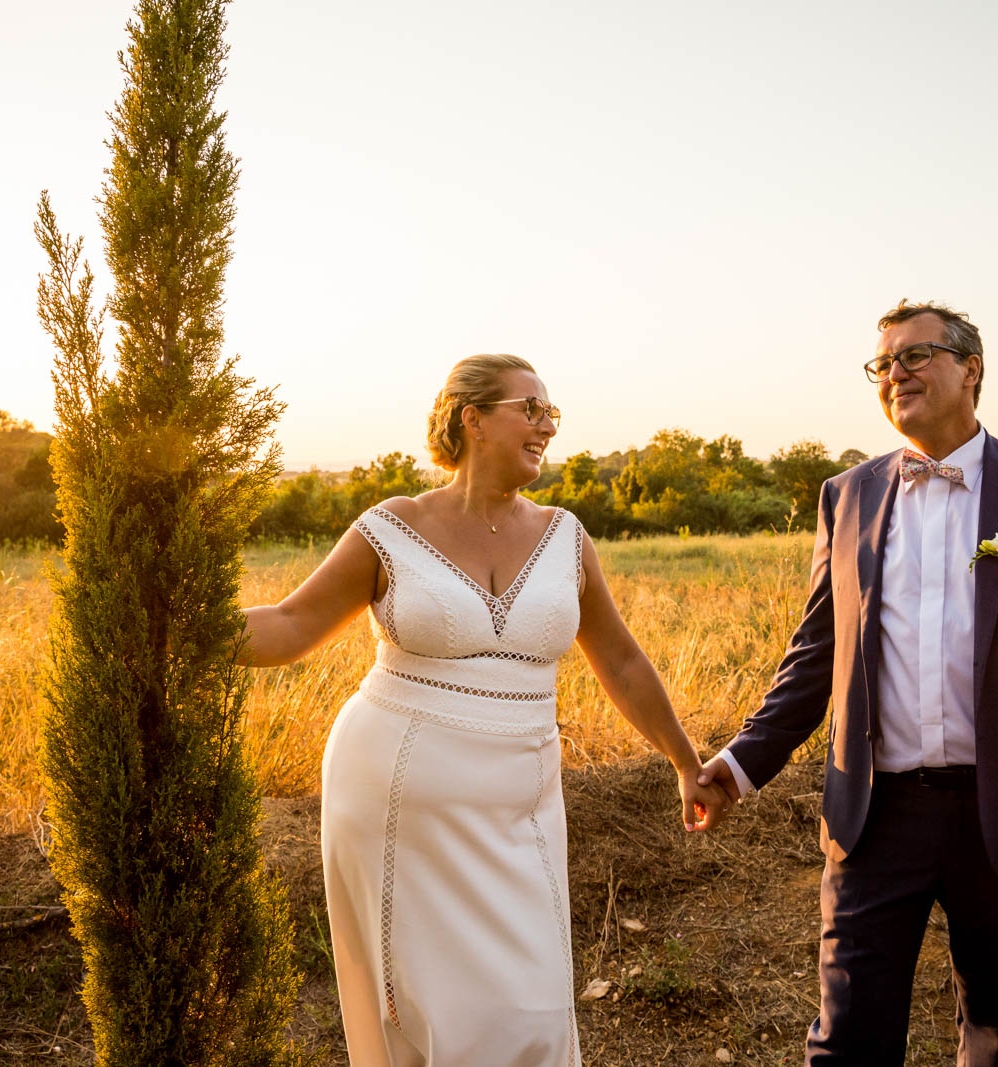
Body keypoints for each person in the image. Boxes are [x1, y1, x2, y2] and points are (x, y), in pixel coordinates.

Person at [241, 354, 728, 1067]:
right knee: (426, 1014)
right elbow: (289, 624)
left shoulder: (567, 536)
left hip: (519, 806)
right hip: (395, 799)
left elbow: (621, 660)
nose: (546, 426)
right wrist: (181, 622)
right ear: (471, 418)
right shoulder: (389, 527)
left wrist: (686, 760)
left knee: (527, 1005)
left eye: (551, 413)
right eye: (530, 409)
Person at [698, 301, 998, 1066]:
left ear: (972, 368)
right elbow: (816, 656)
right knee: (846, 1042)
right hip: (874, 815)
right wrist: (738, 766)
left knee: (996, 1039)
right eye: (883, 363)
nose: (896, 373)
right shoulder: (847, 495)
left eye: (916, 356)